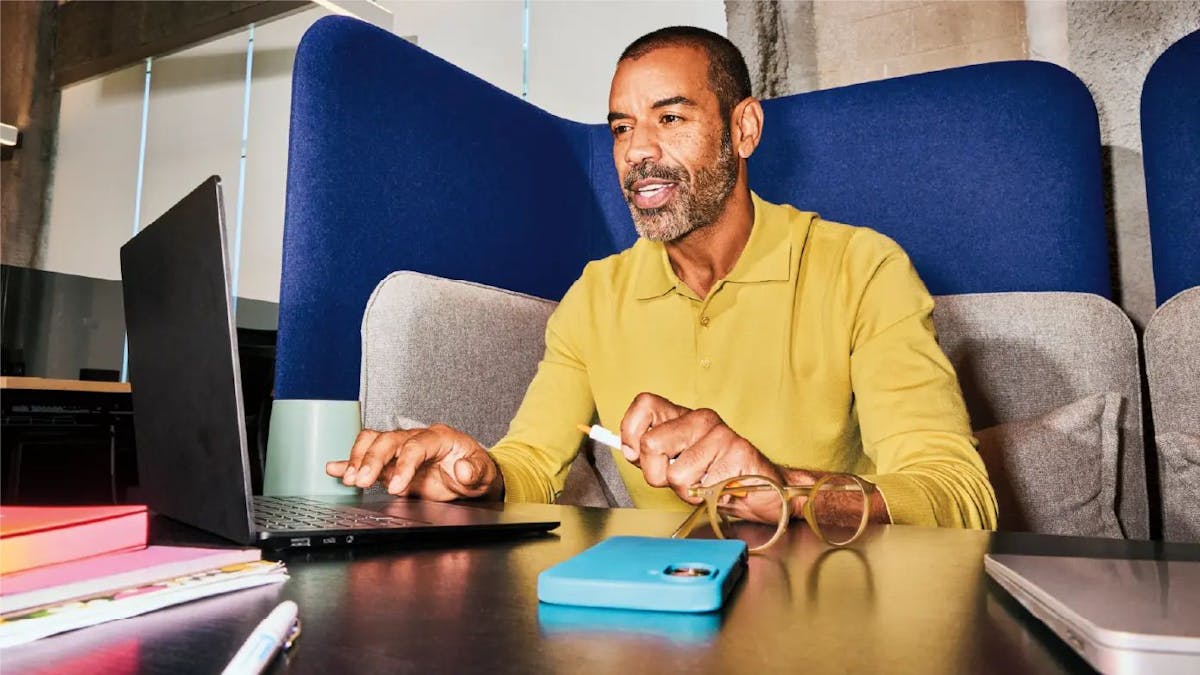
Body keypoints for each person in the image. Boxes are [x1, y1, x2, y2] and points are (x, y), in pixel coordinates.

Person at [326, 26, 998, 529]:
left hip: (829, 609)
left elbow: (960, 495)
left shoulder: (862, 268)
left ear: (745, 128)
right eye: (622, 128)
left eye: (670, 117)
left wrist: (787, 489)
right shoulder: (595, 297)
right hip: (657, 619)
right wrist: (479, 474)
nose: (638, 152)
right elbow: (533, 461)